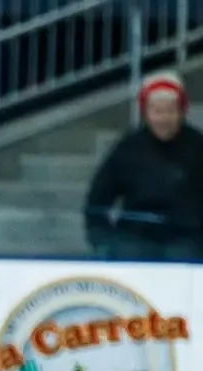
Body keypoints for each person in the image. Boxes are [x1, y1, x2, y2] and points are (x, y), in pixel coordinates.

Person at [84, 71, 203, 261]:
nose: (164, 118)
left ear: (182, 111)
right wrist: (102, 238)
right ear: (145, 113)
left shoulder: (198, 146)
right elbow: (98, 197)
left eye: (170, 111)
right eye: (157, 111)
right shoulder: (128, 148)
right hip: (134, 238)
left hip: (186, 240)